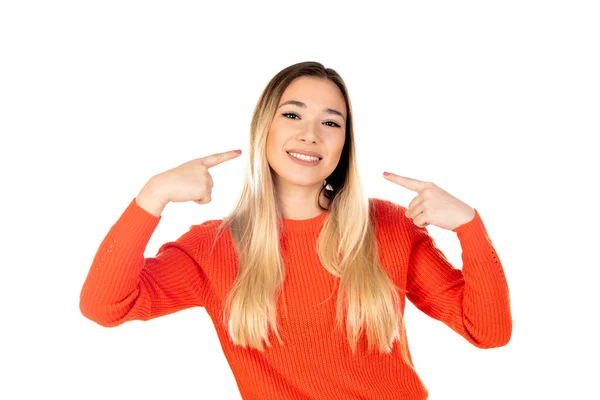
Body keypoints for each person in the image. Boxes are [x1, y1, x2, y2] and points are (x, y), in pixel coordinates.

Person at [79, 61, 512, 400]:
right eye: (292, 115)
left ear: (344, 144)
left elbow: (488, 331)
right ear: (264, 129)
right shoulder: (213, 248)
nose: (310, 135)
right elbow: (105, 306)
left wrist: (469, 227)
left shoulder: (388, 227)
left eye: (330, 122)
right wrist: (152, 196)